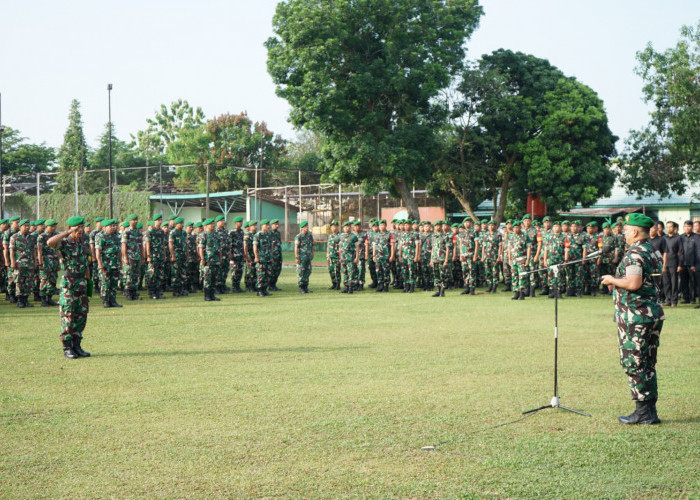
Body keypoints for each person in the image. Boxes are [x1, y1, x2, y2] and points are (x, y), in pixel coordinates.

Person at [601, 213, 663, 425]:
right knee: (647, 362)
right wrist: (619, 282)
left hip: (636, 315)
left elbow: (635, 283)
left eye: (627, 230)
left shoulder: (635, 253)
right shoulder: (651, 250)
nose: (624, 233)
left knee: (634, 362)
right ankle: (649, 410)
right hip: (650, 313)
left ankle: (643, 413)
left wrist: (612, 279)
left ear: (635, 232)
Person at [48, 216, 92, 359]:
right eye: (77, 227)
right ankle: (67, 347)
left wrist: (88, 280)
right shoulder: (65, 243)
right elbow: (50, 242)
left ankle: (77, 345)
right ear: (70, 228)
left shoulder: (83, 241)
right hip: (69, 283)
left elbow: (86, 262)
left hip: (82, 282)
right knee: (68, 315)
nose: (80, 230)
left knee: (81, 315)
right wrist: (67, 233)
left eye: (81, 226)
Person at [9, 219, 37, 308]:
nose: (28, 227)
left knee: (28, 282)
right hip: (19, 264)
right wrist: (12, 262)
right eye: (25, 226)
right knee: (19, 282)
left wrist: (35, 262)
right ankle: (20, 301)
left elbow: (34, 251)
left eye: (28, 225)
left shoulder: (32, 237)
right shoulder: (14, 237)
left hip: (29, 264)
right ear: (20, 227)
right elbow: (11, 251)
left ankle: (26, 300)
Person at [95, 219, 123, 308]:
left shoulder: (116, 236)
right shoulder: (100, 236)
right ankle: (105, 301)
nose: (113, 228)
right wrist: (100, 264)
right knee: (105, 283)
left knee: (114, 283)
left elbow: (119, 251)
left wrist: (120, 262)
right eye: (110, 226)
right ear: (105, 227)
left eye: (114, 226)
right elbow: (98, 252)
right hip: (105, 264)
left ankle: (113, 300)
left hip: (115, 263)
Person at [37, 219, 60, 306]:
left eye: (55, 226)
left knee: (53, 280)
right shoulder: (41, 237)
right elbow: (39, 251)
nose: (54, 228)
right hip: (45, 261)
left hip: (54, 261)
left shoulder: (56, 235)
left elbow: (58, 250)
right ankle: (43, 299)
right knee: (44, 280)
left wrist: (58, 262)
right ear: (46, 227)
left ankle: (49, 298)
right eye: (52, 226)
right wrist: (40, 263)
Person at [144, 214, 167, 300]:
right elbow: (147, 244)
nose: (160, 222)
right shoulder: (150, 232)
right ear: (154, 221)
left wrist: (164, 255)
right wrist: (148, 256)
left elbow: (163, 244)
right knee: (152, 274)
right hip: (153, 255)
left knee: (160, 275)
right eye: (158, 220)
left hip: (160, 255)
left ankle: (158, 292)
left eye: (161, 220)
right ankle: (152, 292)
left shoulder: (161, 232)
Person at [199, 218, 221, 301]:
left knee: (214, 278)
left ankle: (212, 295)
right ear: (207, 226)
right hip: (208, 260)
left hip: (215, 260)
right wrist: (202, 258)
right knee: (207, 278)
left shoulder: (216, 235)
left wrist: (220, 258)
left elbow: (219, 248)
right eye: (211, 224)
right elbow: (201, 248)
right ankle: (207, 295)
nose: (213, 225)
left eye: (213, 223)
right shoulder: (203, 235)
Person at [508, 220, 531, 300]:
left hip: (522, 259)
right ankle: (516, 292)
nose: (516, 229)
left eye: (517, 227)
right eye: (514, 227)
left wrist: (528, 259)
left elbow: (528, 248)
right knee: (514, 276)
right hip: (514, 259)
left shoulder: (525, 236)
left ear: (520, 228)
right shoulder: (511, 236)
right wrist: (509, 258)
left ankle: (522, 293)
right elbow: (509, 248)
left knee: (522, 276)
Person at [121, 214, 142, 300]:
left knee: (136, 276)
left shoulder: (139, 232)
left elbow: (141, 245)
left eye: (136, 220)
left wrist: (143, 256)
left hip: (137, 257)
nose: (135, 221)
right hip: (130, 257)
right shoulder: (126, 232)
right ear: (130, 221)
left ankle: (134, 293)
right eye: (133, 220)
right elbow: (123, 245)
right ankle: (128, 293)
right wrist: (125, 257)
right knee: (129, 275)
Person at [662, 221, 683, 307]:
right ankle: (668, 299)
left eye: (670, 227)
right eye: (667, 227)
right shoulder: (663, 238)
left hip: (674, 262)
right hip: (665, 263)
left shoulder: (678, 238)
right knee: (666, 282)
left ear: (674, 228)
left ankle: (674, 301)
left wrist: (680, 265)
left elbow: (680, 252)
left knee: (674, 282)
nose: (668, 228)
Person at [169, 217, 189, 297]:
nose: (182, 224)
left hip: (183, 255)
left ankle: (182, 289)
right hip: (176, 255)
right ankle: (175, 290)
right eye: (181, 223)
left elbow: (186, 244)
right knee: (176, 273)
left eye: (183, 223)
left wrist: (187, 255)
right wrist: (173, 255)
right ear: (177, 224)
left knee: (183, 273)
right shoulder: (173, 232)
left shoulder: (184, 233)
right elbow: (170, 245)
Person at [338, 221, 359, 294]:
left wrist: (356, 257)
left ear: (350, 228)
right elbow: (340, 247)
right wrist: (340, 257)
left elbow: (357, 247)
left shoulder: (354, 236)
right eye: (345, 227)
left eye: (348, 227)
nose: (346, 228)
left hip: (350, 257)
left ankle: (350, 288)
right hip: (343, 257)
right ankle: (346, 287)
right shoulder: (341, 236)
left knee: (351, 272)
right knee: (344, 272)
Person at [253, 219, 273, 296]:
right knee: (260, 274)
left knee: (268, 274)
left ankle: (264, 289)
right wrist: (256, 257)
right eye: (266, 225)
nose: (268, 226)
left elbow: (271, 247)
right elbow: (255, 247)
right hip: (261, 258)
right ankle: (259, 290)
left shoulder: (269, 235)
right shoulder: (258, 235)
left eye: (268, 225)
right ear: (262, 226)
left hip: (268, 258)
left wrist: (271, 256)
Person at [372, 219, 393, 292]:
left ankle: (386, 285)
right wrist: (374, 255)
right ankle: (380, 284)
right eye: (380, 225)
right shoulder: (376, 235)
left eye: (383, 225)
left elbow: (392, 245)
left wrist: (392, 256)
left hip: (385, 256)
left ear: (386, 226)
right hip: (378, 256)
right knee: (378, 271)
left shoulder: (389, 234)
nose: (381, 226)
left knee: (386, 271)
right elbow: (374, 245)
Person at [679, 221, 696, 304]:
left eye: (689, 226)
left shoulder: (696, 237)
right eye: (685, 226)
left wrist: (694, 263)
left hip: (692, 263)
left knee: (693, 281)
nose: (687, 228)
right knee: (684, 281)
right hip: (682, 263)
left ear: (692, 227)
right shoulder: (680, 237)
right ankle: (686, 298)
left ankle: (693, 299)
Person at [295, 221, 314, 293]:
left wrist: (312, 253)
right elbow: (296, 247)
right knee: (301, 272)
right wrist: (296, 257)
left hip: (308, 257)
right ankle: (301, 288)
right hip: (301, 258)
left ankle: (306, 287)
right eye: (305, 226)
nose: (307, 228)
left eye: (307, 226)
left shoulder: (310, 235)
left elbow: (312, 245)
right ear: (302, 228)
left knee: (308, 271)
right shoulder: (298, 236)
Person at [228, 216, 245, 293]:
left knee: (240, 271)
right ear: (235, 223)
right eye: (239, 222)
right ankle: (234, 287)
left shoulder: (241, 232)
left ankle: (238, 286)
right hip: (234, 255)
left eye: (241, 222)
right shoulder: (232, 232)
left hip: (240, 255)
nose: (241, 223)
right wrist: (230, 255)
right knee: (234, 271)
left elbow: (242, 244)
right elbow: (229, 244)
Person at [269, 219, 283, 291]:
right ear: (272, 225)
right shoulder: (269, 233)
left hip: (278, 255)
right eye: (275, 224)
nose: (277, 226)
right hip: (272, 256)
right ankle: (270, 285)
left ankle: (274, 285)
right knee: (272, 271)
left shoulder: (278, 233)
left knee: (278, 270)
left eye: (277, 224)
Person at [326, 220, 341, 290]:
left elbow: (341, 247)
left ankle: (338, 284)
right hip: (331, 256)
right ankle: (333, 283)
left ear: (338, 227)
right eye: (332, 227)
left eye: (335, 226)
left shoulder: (340, 236)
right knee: (331, 270)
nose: (334, 228)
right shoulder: (330, 236)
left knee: (336, 271)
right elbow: (328, 246)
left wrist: (340, 256)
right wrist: (327, 255)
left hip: (337, 256)